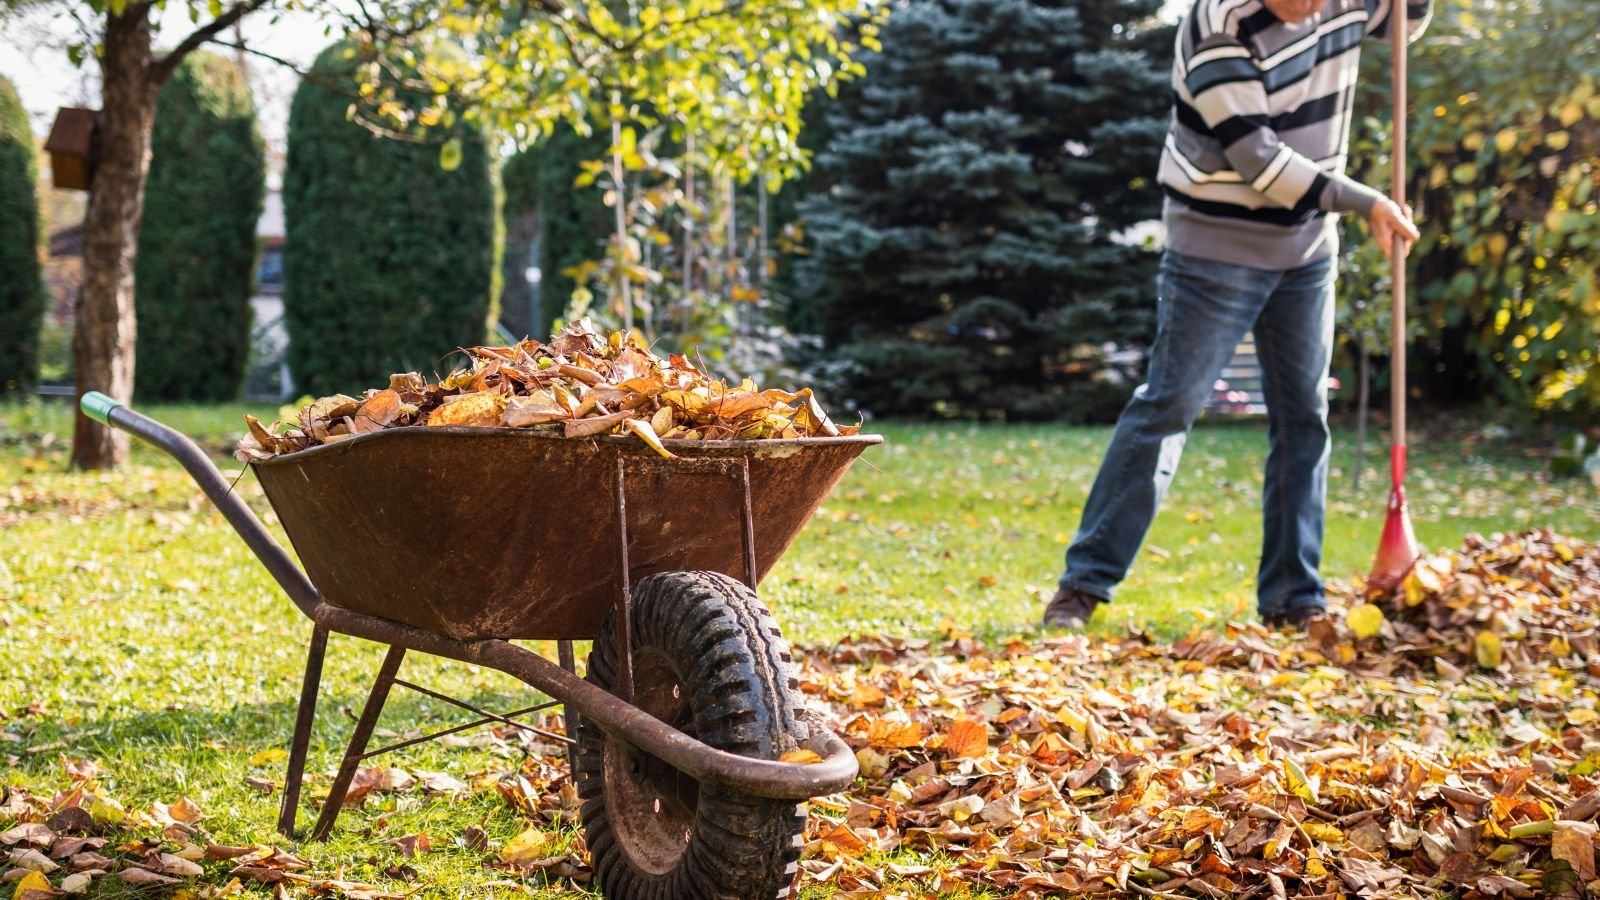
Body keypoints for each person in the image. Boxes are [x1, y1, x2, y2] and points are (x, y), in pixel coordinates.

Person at [1044, 0, 1430, 631]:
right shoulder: (1217, 22)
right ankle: (1081, 589)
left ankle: (1294, 600)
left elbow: (1403, 26)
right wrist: (1366, 202)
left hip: (1306, 253)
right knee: (1168, 406)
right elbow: (1258, 159)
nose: (1311, 6)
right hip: (1213, 250)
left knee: (1305, 418)